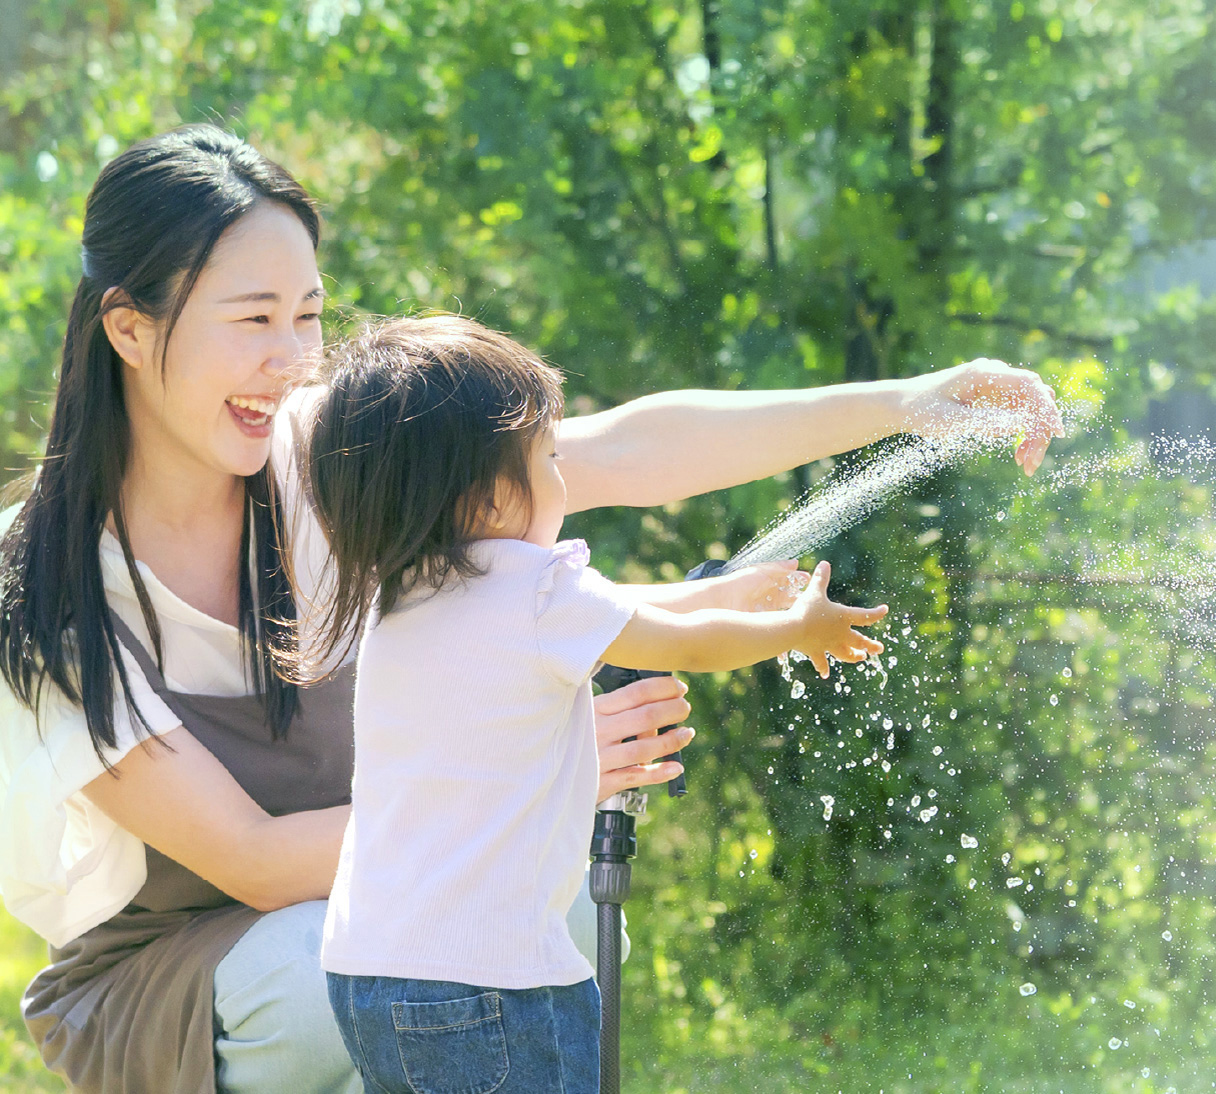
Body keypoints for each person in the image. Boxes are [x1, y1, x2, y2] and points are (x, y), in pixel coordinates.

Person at [0, 124, 1063, 1094]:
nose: (290, 362)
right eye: (252, 320)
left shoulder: (328, 461)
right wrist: (514, 778)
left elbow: (626, 449)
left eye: (309, 318)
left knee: (517, 921)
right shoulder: (41, 585)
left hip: (383, 890)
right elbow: (254, 858)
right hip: (173, 984)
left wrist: (904, 405)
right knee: (369, 948)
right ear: (130, 331)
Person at [302, 315, 888, 1092]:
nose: (564, 481)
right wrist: (792, 626)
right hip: (494, 987)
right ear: (486, 500)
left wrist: (719, 594)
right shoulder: (536, 589)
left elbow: (622, 616)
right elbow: (684, 643)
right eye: (548, 458)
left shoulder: (401, 598)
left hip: (365, 976)